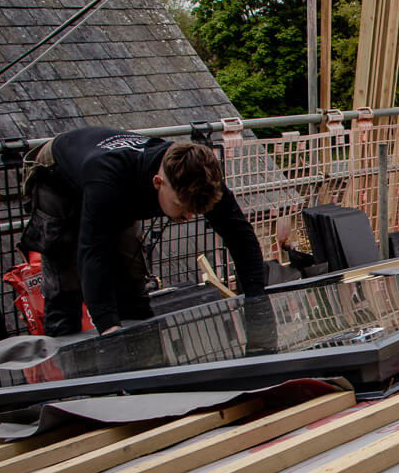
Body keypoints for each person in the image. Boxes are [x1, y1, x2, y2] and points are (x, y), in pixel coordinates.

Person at [19, 127, 267, 337]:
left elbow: (240, 235)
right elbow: (92, 252)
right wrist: (108, 328)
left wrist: (257, 299)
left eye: (197, 211)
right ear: (158, 183)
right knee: (67, 285)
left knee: (131, 278)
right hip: (58, 176)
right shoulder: (108, 180)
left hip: (120, 186)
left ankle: (144, 360)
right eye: (182, 207)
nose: (189, 216)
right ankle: (68, 383)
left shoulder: (199, 174)